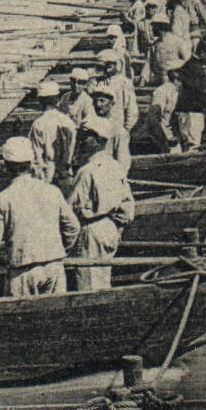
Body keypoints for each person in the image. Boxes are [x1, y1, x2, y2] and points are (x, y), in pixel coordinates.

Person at [0, 137, 80, 296]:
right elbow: (73, 228)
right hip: (54, 267)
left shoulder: (4, 199)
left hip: (22, 271)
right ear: (31, 163)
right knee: (54, 317)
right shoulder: (52, 191)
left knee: (22, 318)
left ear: (6, 166)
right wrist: (57, 250)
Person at [69, 120, 135, 291]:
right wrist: (118, 228)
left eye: (86, 138)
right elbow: (128, 205)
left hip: (92, 230)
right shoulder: (115, 166)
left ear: (100, 141)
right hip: (110, 228)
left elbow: (71, 209)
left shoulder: (87, 171)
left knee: (89, 285)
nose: (81, 141)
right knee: (103, 279)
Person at [94, 48, 137, 171]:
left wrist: (125, 129)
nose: (107, 69)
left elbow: (132, 110)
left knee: (120, 163)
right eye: (105, 66)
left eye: (110, 65)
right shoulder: (99, 83)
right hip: (100, 128)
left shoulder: (124, 83)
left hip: (117, 127)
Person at [174, 41, 206, 150]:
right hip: (194, 111)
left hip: (183, 109)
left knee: (185, 143)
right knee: (194, 144)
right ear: (203, 53)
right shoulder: (197, 68)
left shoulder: (187, 65)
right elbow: (199, 89)